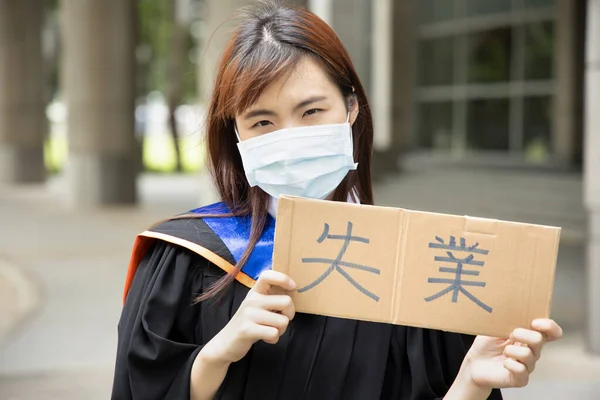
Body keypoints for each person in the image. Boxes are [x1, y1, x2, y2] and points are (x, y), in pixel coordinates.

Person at [111, 2, 563, 399]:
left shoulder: (418, 270)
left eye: (311, 112)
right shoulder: (186, 259)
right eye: (262, 122)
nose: (289, 139)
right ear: (236, 133)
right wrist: (218, 354)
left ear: (351, 108)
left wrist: (470, 381)